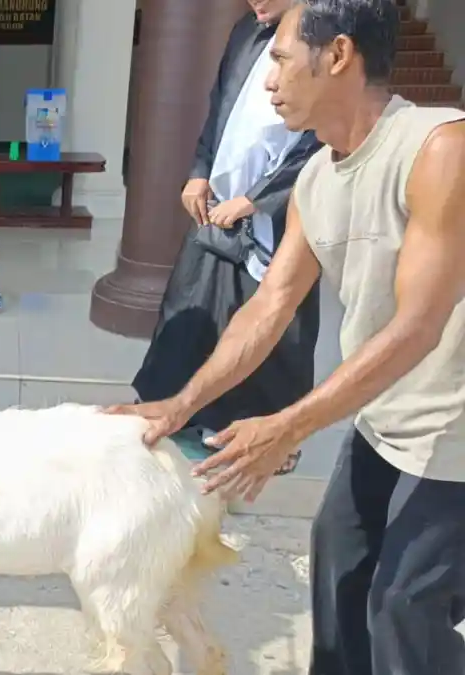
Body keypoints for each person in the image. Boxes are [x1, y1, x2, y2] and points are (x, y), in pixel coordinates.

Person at [107, 1, 465, 673]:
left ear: (337, 56)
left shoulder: (439, 148)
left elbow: (419, 325)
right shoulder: (317, 176)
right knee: (338, 574)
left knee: (405, 606)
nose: (266, 78)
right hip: (386, 421)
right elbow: (269, 304)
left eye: (279, 58)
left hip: (456, 435)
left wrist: (288, 425)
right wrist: (179, 405)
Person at [131, 0, 322, 475]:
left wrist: (259, 198)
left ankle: (267, 436)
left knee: (268, 329)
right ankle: (174, 413)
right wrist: (200, 173)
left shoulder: (322, 36)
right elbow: (220, 107)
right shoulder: (245, 32)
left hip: (277, 220)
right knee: (192, 307)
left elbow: (321, 140)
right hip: (221, 207)